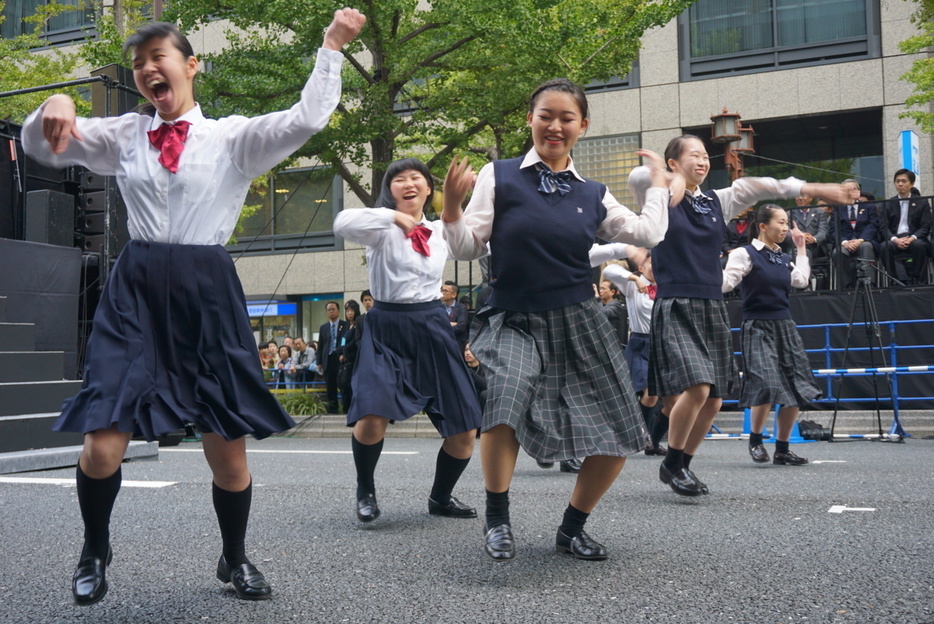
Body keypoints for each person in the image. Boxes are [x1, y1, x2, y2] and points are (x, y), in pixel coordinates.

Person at [20, 9, 365, 605]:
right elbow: (44, 147)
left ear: (190, 65)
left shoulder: (233, 138)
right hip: (137, 290)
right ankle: (94, 548)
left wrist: (331, 46)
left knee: (226, 452)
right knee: (102, 443)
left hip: (207, 291)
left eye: (160, 56)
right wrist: (54, 102)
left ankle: (234, 558)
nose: (149, 69)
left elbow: (307, 117)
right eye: (138, 64)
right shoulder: (125, 134)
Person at [442, 78, 671, 562]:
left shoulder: (593, 193)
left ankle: (572, 529)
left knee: (620, 431)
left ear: (582, 126)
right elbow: (466, 246)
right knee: (504, 401)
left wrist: (658, 186)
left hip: (579, 320)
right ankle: (498, 518)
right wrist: (450, 207)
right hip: (513, 316)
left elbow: (647, 232)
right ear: (530, 119)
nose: (555, 125)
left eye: (567, 118)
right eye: (546, 114)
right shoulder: (499, 175)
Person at [648, 134, 848, 497]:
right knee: (697, 387)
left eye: (704, 156)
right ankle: (671, 462)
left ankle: (682, 465)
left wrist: (813, 186)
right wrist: (664, 177)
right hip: (676, 302)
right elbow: (636, 179)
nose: (702, 161)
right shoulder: (659, 198)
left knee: (714, 399)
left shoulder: (715, 202)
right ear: (674, 163)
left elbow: (756, 186)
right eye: (692, 156)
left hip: (711, 305)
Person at [333, 157, 483, 525]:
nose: (408, 183)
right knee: (370, 417)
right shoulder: (378, 228)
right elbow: (341, 222)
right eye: (398, 179)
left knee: (465, 430)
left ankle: (441, 497)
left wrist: (456, 203)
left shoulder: (442, 230)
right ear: (390, 190)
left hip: (432, 324)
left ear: (429, 188)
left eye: (416, 177)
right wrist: (390, 217)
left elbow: (475, 241)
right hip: (386, 325)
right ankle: (365, 491)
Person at [722, 204, 821, 466]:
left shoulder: (783, 257)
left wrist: (800, 248)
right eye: (781, 222)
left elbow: (800, 280)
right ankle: (755, 440)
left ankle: (782, 449)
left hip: (784, 325)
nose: (786, 227)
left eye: (787, 222)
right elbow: (726, 283)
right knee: (766, 383)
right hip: (756, 325)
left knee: (795, 387)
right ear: (763, 226)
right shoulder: (745, 254)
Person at [880, 169, 932, 286]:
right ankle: (896, 280)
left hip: (914, 238)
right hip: (895, 238)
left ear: (912, 184)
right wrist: (895, 239)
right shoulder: (888, 203)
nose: (900, 184)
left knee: (919, 246)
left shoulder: (921, 202)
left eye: (904, 181)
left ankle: (918, 281)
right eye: (897, 181)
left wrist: (911, 238)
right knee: (884, 247)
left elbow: (925, 226)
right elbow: (883, 227)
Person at [831, 179, 879, 289]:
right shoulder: (838, 209)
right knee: (837, 252)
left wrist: (861, 240)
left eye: (852, 189)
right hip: (846, 243)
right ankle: (848, 286)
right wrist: (844, 242)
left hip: (864, 240)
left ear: (858, 191)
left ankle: (869, 284)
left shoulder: (869, 207)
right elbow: (834, 230)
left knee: (866, 246)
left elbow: (873, 225)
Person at [316, 301, 348, 413]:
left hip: (340, 359)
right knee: (330, 387)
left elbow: (346, 342)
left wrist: (343, 353)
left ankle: (345, 409)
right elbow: (320, 345)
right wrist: (319, 362)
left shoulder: (345, 325)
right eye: (329, 310)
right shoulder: (323, 327)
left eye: (333, 309)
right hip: (327, 360)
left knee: (343, 385)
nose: (331, 312)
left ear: (338, 311)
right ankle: (332, 410)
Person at [336, 299, 362, 413]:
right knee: (344, 387)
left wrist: (343, 351)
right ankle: (346, 410)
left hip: (354, 360)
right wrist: (340, 352)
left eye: (351, 311)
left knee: (352, 387)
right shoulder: (345, 326)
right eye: (347, 311)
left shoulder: (359, 324)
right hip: (344, 361)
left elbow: (353, 344)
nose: (349, 313)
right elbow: (342, 342)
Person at [441, 280, 469, 348]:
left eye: (446, 291)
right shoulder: (440, 308)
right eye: (442, 290)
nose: (442, 293)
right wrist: (451, 324)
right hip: (443, 343)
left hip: (457, 343)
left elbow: (461, 326)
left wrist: (444, 327)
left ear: (454, 294)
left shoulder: (461, 308)